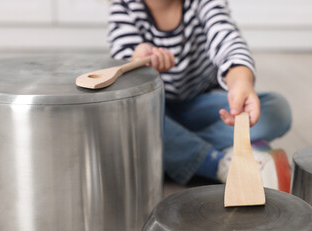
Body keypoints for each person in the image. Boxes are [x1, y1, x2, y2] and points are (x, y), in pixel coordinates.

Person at [108, 0, 292, 185]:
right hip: (157, 111)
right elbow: (123, 76)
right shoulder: (124, 7)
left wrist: (240, 81)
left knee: (277, 109)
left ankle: (176, 151)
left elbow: (227, 39)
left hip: (201, 105)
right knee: (131, 117)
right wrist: (138, 61)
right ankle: (218, 163)